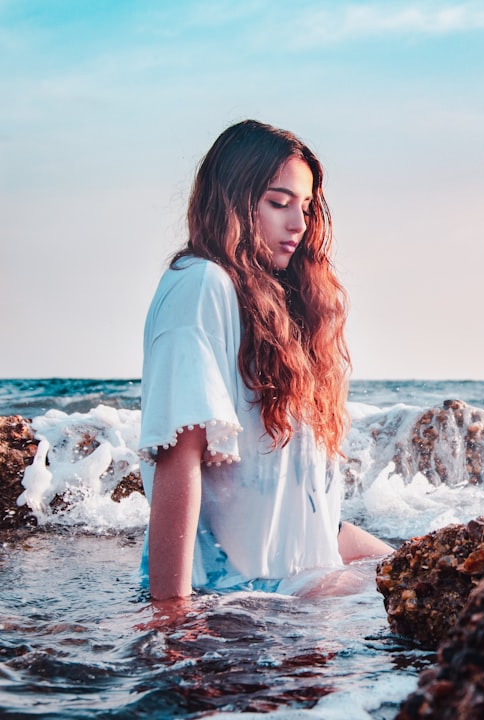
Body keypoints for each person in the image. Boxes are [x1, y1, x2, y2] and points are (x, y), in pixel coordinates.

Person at [138, 119, 391, 601]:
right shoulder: (200, 284)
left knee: (448, 584)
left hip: (301, 597)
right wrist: (170, 614)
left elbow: (305, 513)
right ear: (231, 201)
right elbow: (180, 456)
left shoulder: (283, 308)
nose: (298, 223)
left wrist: (409, 563)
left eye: (306, 206)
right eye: (279, 203)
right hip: (241, 606)